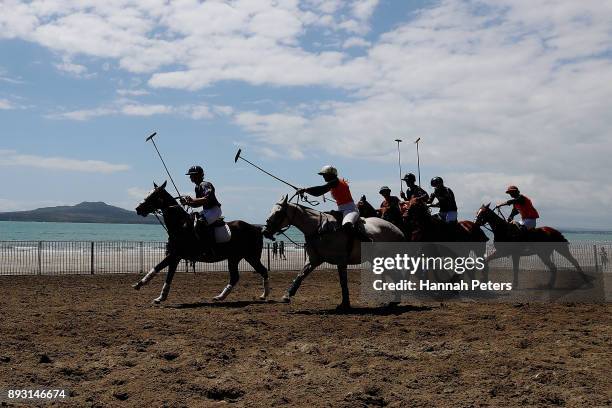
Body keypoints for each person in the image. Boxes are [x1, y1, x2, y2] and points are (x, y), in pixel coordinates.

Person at [297, 165, 371, 242]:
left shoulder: (335, 182)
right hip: (341, 210)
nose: (323, 177)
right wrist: (306, 190)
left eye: (325, 175)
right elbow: (320, 191)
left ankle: (367, 241)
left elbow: (320, 190)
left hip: (350, 210)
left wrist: (305, 190)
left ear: (331, 175)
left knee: (347, 225)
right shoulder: (333, 184)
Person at [180, 165, 222, 255]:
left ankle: (210, 248)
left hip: (214, 210)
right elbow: (198, 203)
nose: (190, 177)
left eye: (192, 175)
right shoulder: (197, 187)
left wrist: (191, 200)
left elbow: (206, 198)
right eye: (190, 175)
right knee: (191, 220)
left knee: (201, 223)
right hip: (207, 211)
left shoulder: (205, 184)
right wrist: (188, 203)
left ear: (199, 175)